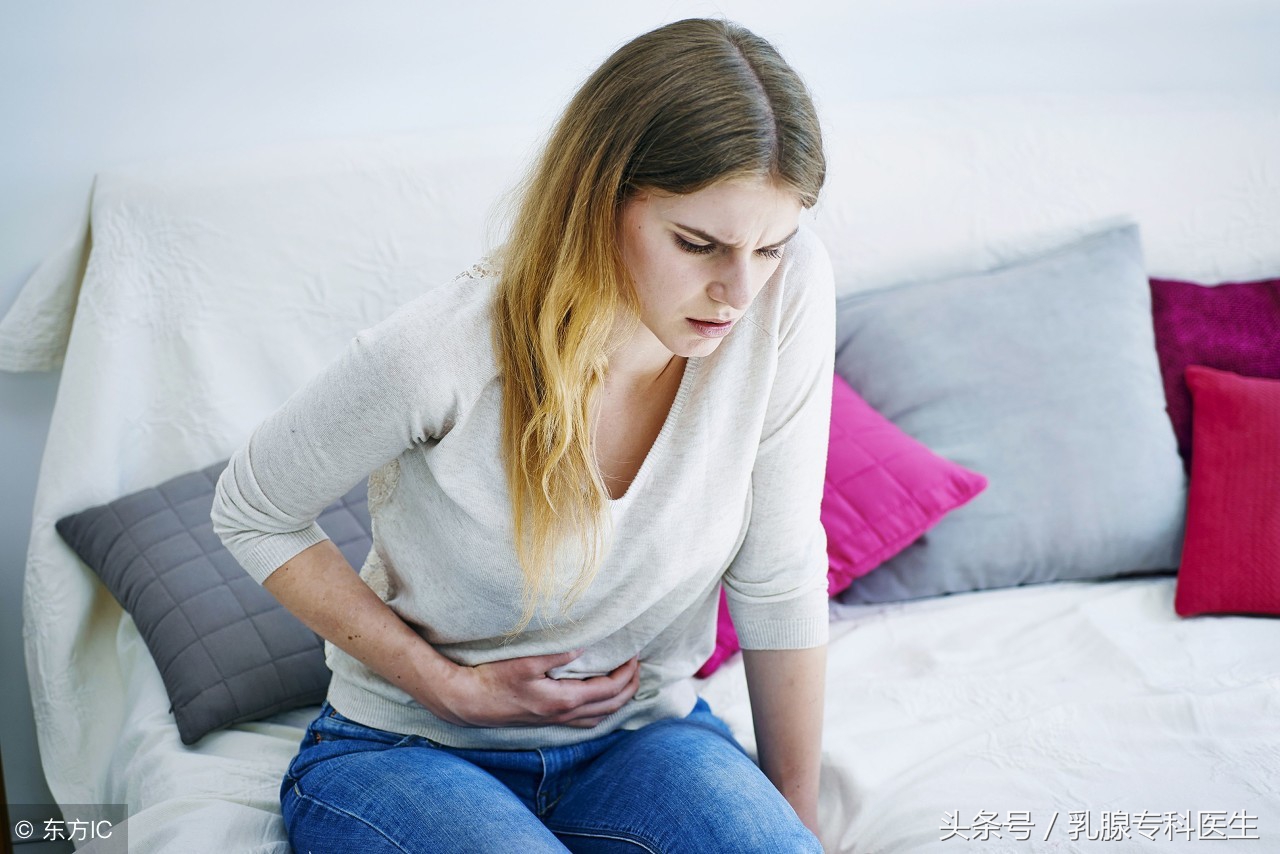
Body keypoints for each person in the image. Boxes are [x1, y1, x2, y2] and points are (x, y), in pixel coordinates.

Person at [211, 17, 834, 853]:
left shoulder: (786, 295)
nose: (738, 291)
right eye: (698, 244)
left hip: (641, 739)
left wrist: (800, 823)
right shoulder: (439, 352)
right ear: (599, 198)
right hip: (408, 750)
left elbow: (781, 567)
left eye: (770, 248)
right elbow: (252, 508)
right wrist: (444, 687)